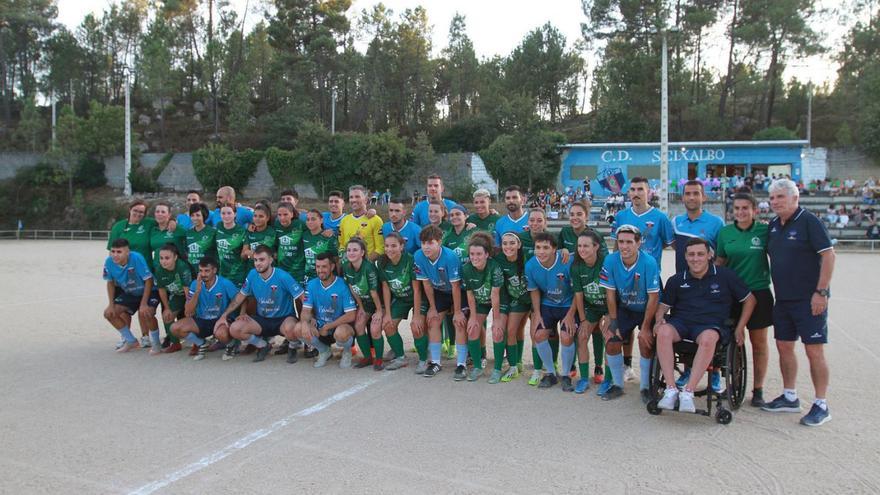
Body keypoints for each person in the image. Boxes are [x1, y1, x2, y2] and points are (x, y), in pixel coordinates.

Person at [763, 178, 835, 427]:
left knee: (814, 350)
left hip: (809, 299)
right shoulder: (773, 225)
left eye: (780, 197)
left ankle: (821, 404)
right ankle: (789, 396)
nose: (775, 202)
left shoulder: (809, 222)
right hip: (783, 300)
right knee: (784, 347)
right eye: (772, 198)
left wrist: (821, 292)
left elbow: (828, 255)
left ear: (795, 198)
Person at [655, 238, 755, 412]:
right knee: (663, 332)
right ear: (685, 257)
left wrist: (740, 327)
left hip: (711, 324)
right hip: (682, 322)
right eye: (691, 254)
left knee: (709, 338)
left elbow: (750, 300)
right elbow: (663, 306)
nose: (696, 258)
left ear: (710, 255)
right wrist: (658, 320)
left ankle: (688, 392)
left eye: (700, 254)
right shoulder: (677, 280)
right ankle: (671, 390)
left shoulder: (726, 276)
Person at [715, 192, 774, 407]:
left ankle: (758, 390)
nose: (740, 212)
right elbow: (720, 261)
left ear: (754, 211)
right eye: (737, 208)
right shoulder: (725, 233)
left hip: (759, 293)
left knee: (759, 343)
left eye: (745, 208)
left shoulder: (765, 231)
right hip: (732, 295)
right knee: (731, 341)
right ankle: (732, 383)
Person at [598, 225, 661, 401]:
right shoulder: (611, 261)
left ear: (638, 243)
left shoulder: (649, 262)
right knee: (611, 340)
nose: (624, 246)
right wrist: (614, 321)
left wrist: (647, 327)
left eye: (629, 242)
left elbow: (654, 297)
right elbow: (610, 294)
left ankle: (646, 388)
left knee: (645, 340)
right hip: (625, 307)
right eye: (620, 242)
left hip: (647, 308)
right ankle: (618, 385)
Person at [216, 246, 304, 363]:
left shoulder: (283, 276)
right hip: (262, 319)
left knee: (293, 329)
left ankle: (293, 347)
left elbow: (302, 297)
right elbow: (239, 297)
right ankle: (262, 345)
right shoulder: (252, 275)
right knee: (235, 328)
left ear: (271, 260)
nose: (258, 263)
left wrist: (307, 319)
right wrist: (224, 315)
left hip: (283, 319)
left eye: (262, 260)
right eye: (255, 260)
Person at [525, 233, 578, 390]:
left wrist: (570, 315)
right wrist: (537, 314)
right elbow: (534, 291)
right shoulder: (531, 265)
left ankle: (567, 375)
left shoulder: (566, 261)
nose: (541, 251)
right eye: (538, 248)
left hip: (568, 304)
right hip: (547, 304)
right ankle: (550, 373)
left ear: (555, 249)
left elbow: (578, 292)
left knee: (567, 336)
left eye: (546, 248)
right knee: (539, 335)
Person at [413, 225, 464, 377]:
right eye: (423, 243)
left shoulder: (450, 257)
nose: (426, 247)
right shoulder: (418, 256)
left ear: (439, 242)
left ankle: (461, 364)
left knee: (458, 321)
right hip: (439, 292)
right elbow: (426, 284)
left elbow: (456, 287)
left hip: (458, 291)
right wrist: (433, 307)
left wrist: (457, 310)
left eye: (430, 243)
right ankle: (435, 362)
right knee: (433, 320)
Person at [294, 252, 358, 368]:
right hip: (320, 326)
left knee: (341, 333)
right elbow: (306, 310)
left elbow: (351, 315)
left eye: (324, 267)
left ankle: (347, 351)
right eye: (318, 267)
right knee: (299, 328)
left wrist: (329, 326)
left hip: (338, 326)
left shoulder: (342, 284)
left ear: (332, 267)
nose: (320, 270)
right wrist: (304, 322)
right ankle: (324, 351)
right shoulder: (312, 284)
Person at [170, 256, 239, 361]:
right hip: (203, 320)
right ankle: (202, 344)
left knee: (221, 334)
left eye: (207, 271)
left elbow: (239, 300)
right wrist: (197, 291)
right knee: (175, 328)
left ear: (215, 270)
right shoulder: (195, 284)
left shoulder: (225, 283)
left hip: (220, 320)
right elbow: (188, 311)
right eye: (201, 271)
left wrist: (238, 315)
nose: (203, 274)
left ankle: (231, 345)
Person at [457, 232, 503, 382]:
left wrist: (496, 320)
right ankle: (477, 366)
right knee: (473, 329)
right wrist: (473, 317)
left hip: (499, 301)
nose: (474, 257)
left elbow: (495, 295)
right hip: (480, 301)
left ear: (487, 254)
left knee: (497, 331)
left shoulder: (494, 267)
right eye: (471, 254)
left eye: (478, 254)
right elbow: (470, 294)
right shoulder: (466, 268)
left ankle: (497, 369)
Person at [102, 238, 160, 353]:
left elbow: (148, 280)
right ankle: (131, 341)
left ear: (127, 252)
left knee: (146, 312)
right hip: (130, 292)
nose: (115, 255)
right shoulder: (109, 262)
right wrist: (111, 304)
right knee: (109, 314)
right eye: (113, 251)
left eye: (119, 252)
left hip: (149, 290)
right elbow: (110, 283)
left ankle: (156, 344)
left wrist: (143, 304)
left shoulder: (136, 258)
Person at [570, 231, 609, 393]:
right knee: (582, 335)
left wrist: (610, 316)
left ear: (596, 247)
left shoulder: (606, 262)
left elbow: (612, 293)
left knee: (610, 336)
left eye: (586, 245)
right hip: (591, 306)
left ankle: (608, 379)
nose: (582, 249)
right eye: (579, 246)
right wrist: (584, 319)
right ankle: (584, 378)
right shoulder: (577, 267)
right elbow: (578, 295)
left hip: (610, 306)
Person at [377, 232, 420, 370]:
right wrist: (388, 313)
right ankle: (400, 356)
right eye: (387, 246)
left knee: (418, 326)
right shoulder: (383, 263)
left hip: (417, 297)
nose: (389, 249)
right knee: (388, 324)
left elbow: (418, 290)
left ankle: (426, 356)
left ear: (402, 246)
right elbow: (386, 289)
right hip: (400, 298)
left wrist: (417, 314)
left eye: (394, 246)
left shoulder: (410, 260)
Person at [491, 232, 530, 383]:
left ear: (519, 245)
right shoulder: (499, 258)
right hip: (509, 298)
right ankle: (516, 364)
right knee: (513, 330)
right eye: (505, 243)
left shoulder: (527, 258)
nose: (508, 246)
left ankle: (514, 365)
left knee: (513, 330)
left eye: (512, 243)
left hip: (526, 299)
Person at [610, 177, 674, 268]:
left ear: (648, 192)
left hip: (650, 273)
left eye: (640, 189)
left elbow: (668, 242)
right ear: (629, 192)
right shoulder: (620, 216)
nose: (636, 193)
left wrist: (652, 249)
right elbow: (616, 246)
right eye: (632, 190)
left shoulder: (660, 218)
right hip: (625, 274)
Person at [341, 237, 385, 370]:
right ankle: (367, 357)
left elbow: (374, 292)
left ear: (362, 253)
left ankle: (378, 359)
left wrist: (379, 311)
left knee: (374, 329)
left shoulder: (369, 268)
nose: (351, 253)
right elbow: (352, 289)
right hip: (365, 302)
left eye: (355, 250)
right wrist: (360, 307)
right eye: (349, 250)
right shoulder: (346, 267)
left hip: (378, 302)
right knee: (359, 325)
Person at [673, 180, 725, 274]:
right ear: (683, 198)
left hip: (708, 281)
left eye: (696, 193)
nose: (691, 197)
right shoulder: (675, 222)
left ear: (704, 197)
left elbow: (723, 255)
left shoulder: (717, 222)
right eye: (688, 194)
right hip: (682, 281)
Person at [153, 243, 193, 355]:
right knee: (167, 316)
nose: (164, 261)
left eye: (167, 258)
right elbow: (161, 290)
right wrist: (166, 308)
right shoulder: (159, 270)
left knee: (193, 315)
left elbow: (187, 289)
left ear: (175, 257)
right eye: (161, 258)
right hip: (177, 295)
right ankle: (175, 343)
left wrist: (189, 306)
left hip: (191, 295)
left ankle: (197, 343)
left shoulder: (182, 266)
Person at [108, 200, 154, 275]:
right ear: (130, 210)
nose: (138, 214)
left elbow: (164, 222)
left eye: (141, 212)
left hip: (145, 269)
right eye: (135, 210)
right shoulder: (118, 226)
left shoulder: (150, 223)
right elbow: (111, 251)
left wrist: (172, 221)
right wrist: (114, 271)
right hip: (125, 270)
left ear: (144, 214)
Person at [339, 185, 384, 261]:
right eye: (351, 197)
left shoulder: (376, 220)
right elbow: (342, 245)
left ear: (366, 200)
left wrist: (363, 265)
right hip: (349, 268)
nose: (353, 200)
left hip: (367, 269)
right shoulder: (344, 221)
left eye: (357, 197)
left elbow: (380, 248)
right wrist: (345, 262)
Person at [214, 204, 249, 288]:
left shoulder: (242, 231)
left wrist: (249, 254)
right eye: (223, 213)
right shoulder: (218, 226)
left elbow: (244, 254)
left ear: (235, 214)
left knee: (237, 300)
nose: (226, 216)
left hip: (237, 275)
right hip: (222, 274)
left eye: (229, 213)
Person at [149, 201, 188, 273]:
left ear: (169, 215)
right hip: (158, 271)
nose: (159, 214)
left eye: (163, 212)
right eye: (157, 212)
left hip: (177, 271)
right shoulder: (153, 230)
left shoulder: (178, 229)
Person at [303, 209, 339, 284]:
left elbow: (336, 260)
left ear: (321, 220)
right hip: (308, 278)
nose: (310, 222)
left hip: (324, 278)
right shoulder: (304, 235)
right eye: (308, 219)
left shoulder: (329, 237)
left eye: (313, 219)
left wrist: (338, 278)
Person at [185, 202, 217, 269]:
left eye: (198, 215)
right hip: (192, 271)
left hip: (207, 271)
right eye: (192, 215)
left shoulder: (212, 232)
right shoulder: (188, 233)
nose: (194, 218)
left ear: (204, 216)